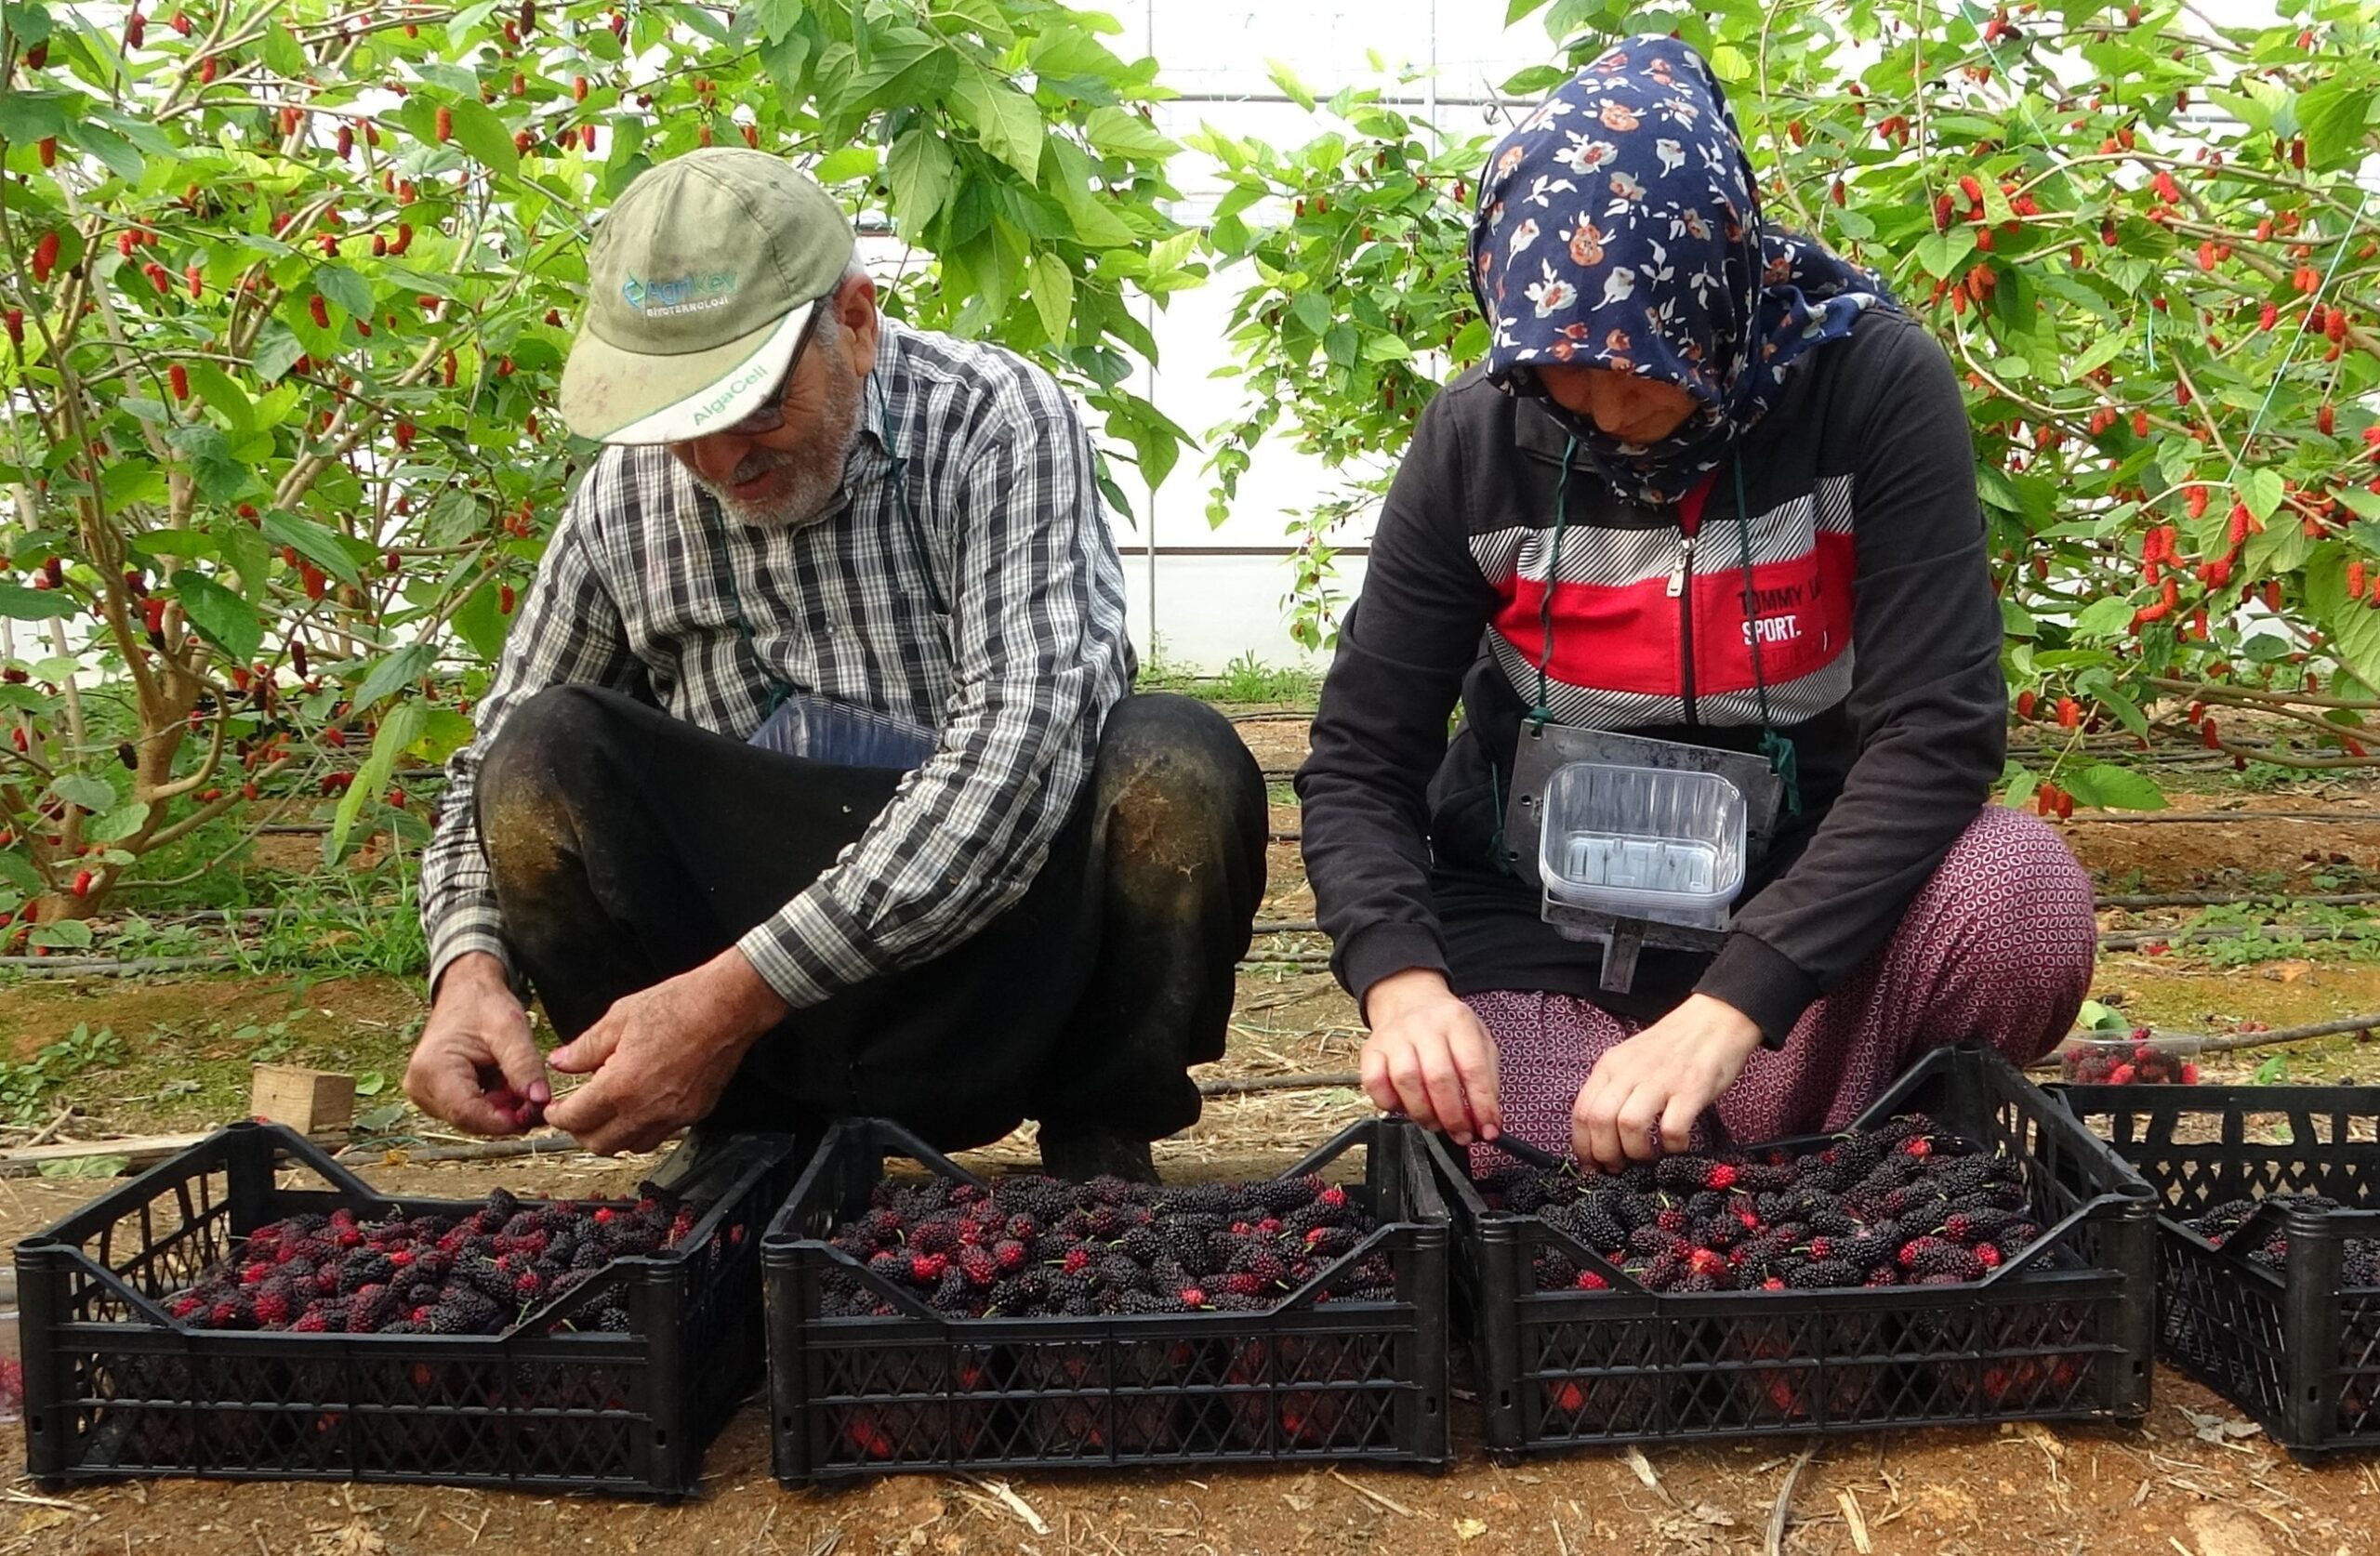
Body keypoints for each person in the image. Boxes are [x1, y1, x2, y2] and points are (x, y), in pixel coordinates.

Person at [1297, 37, 2096, 1173]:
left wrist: (1734, 1007)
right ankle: (1803, 1145)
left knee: (2018, 898)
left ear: (1714, 285)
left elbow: (1938, 731)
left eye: (1640, 360)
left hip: (1803, 931)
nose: (1603, 402)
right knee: (1506, 1145)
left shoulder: (1869, 390)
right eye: (1560, 365)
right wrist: (1404, 983)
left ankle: (1750, 1117)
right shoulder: (1477, 439)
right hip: (1539, 932)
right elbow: (1361, 755)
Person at [406, 149, 1265, 1180]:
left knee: (1175, 762)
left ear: (854, 322)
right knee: (536, 755)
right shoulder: (622, 499)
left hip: (1007, 962)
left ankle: (1097, 1129)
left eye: (759, 406)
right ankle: (753, 1132)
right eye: (684, 423)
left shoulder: (994, 423)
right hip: (759, 988)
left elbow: (1014, 763)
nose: (724, 458)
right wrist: (467, 967)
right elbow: (491, 758)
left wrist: (732, 995)